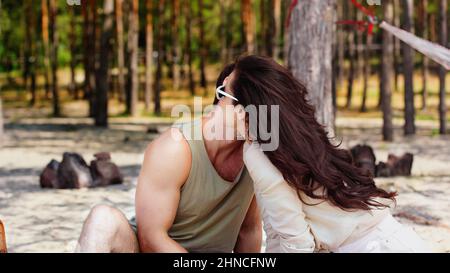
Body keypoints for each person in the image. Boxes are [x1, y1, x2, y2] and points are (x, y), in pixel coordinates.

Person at [227, 55, 431, 253]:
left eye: (223, 92)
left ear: (243, 106)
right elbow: (277, 232)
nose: (216, 101)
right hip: (392, 239)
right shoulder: (294, 135)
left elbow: (297, 244)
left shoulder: (259, 153)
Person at [75, 64, 262, 253]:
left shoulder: (255, 155)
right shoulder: (174, 148)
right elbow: (151, 239)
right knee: (102, 219)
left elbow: (249, 230)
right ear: (223, 94)